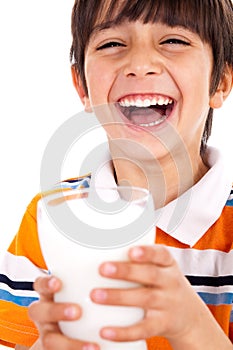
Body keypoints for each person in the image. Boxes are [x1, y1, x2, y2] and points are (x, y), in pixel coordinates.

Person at [0, 0, 233, 349]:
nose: (140, 64)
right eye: (112, 44)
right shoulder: (50, 217)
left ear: (221, 82)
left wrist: (191, 328)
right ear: (82, 87)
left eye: (173, 41)